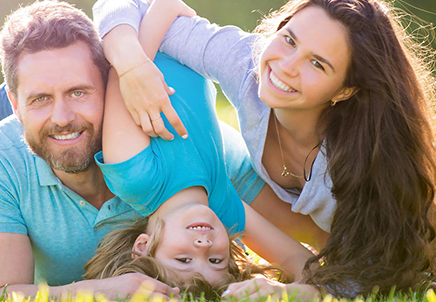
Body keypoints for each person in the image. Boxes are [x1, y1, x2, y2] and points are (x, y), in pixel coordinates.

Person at [93, 0, 436, 296]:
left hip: (434, 208)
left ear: (345, 90)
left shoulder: (360, 165)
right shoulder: (249, 64)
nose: (285, 66)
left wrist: (132, 69)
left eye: (316, 64)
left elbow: (370, 271)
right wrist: (132, 68)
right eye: (289, 39)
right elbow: (128, 5)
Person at [0, 1, 269, 299]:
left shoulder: (189, 144)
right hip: (13, 127)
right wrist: (100, 291)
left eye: (78, 92)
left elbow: (303, 236)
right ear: (16, 104)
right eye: (40, 98)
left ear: (113, 85)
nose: (62, 117)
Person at [81, 2, 314, 297]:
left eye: (184, 259)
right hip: (185, 33)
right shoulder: (223, 207)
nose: (203, 247)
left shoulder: (135, 176)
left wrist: (164, 10)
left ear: (143, 246)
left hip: (137, 22)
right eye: (216, 260)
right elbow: (304, 263)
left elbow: (129, 74)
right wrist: (288, 292)